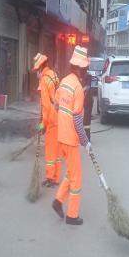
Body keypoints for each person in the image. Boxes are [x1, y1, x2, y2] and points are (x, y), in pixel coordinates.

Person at [52, 45, 91, 226]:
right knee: (77, 178)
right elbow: (77, 120)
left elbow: (56, 105)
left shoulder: (64, 82)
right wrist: (85, 141)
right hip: (71, 139)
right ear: (82, 68)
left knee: (70, 172)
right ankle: (72, 215)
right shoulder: (78, 89)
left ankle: (58, 200)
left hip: (61, 136)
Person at [32, 53, 60, 188]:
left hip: (51, 119)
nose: (37, 73)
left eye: (37, 69)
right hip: (58, 117)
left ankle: (50, 177)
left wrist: (42, 125)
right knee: (56, 151)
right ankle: (55, 177)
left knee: (50, 151)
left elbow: (46, 106)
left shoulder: (44, 80)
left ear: (40, 68)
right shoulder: (53, 75)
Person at [82, 68, 93, 141]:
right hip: (84, 101)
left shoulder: (88, 76)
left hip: (87, 101)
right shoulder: (80, 76)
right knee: (84, 120)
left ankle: (87, 138)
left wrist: (81, 91)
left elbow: (87, 87)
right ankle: (84, 137)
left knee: (86, 120)